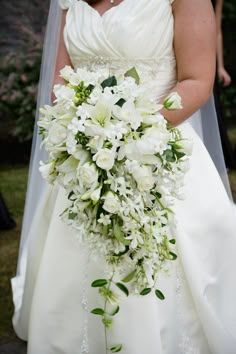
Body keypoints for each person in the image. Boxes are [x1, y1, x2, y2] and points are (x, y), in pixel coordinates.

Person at [11, 1, 236, 353]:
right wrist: (79, 130)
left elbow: (197, 81)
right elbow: (60, 77)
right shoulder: (69, 2)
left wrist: (131, 133)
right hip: (86, 154)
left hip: (160, 149)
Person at [212, 0, 236, 169]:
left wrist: (220, 66)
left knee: (214, 105)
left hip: (208, 57)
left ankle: (220, 157)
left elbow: (217, 30)